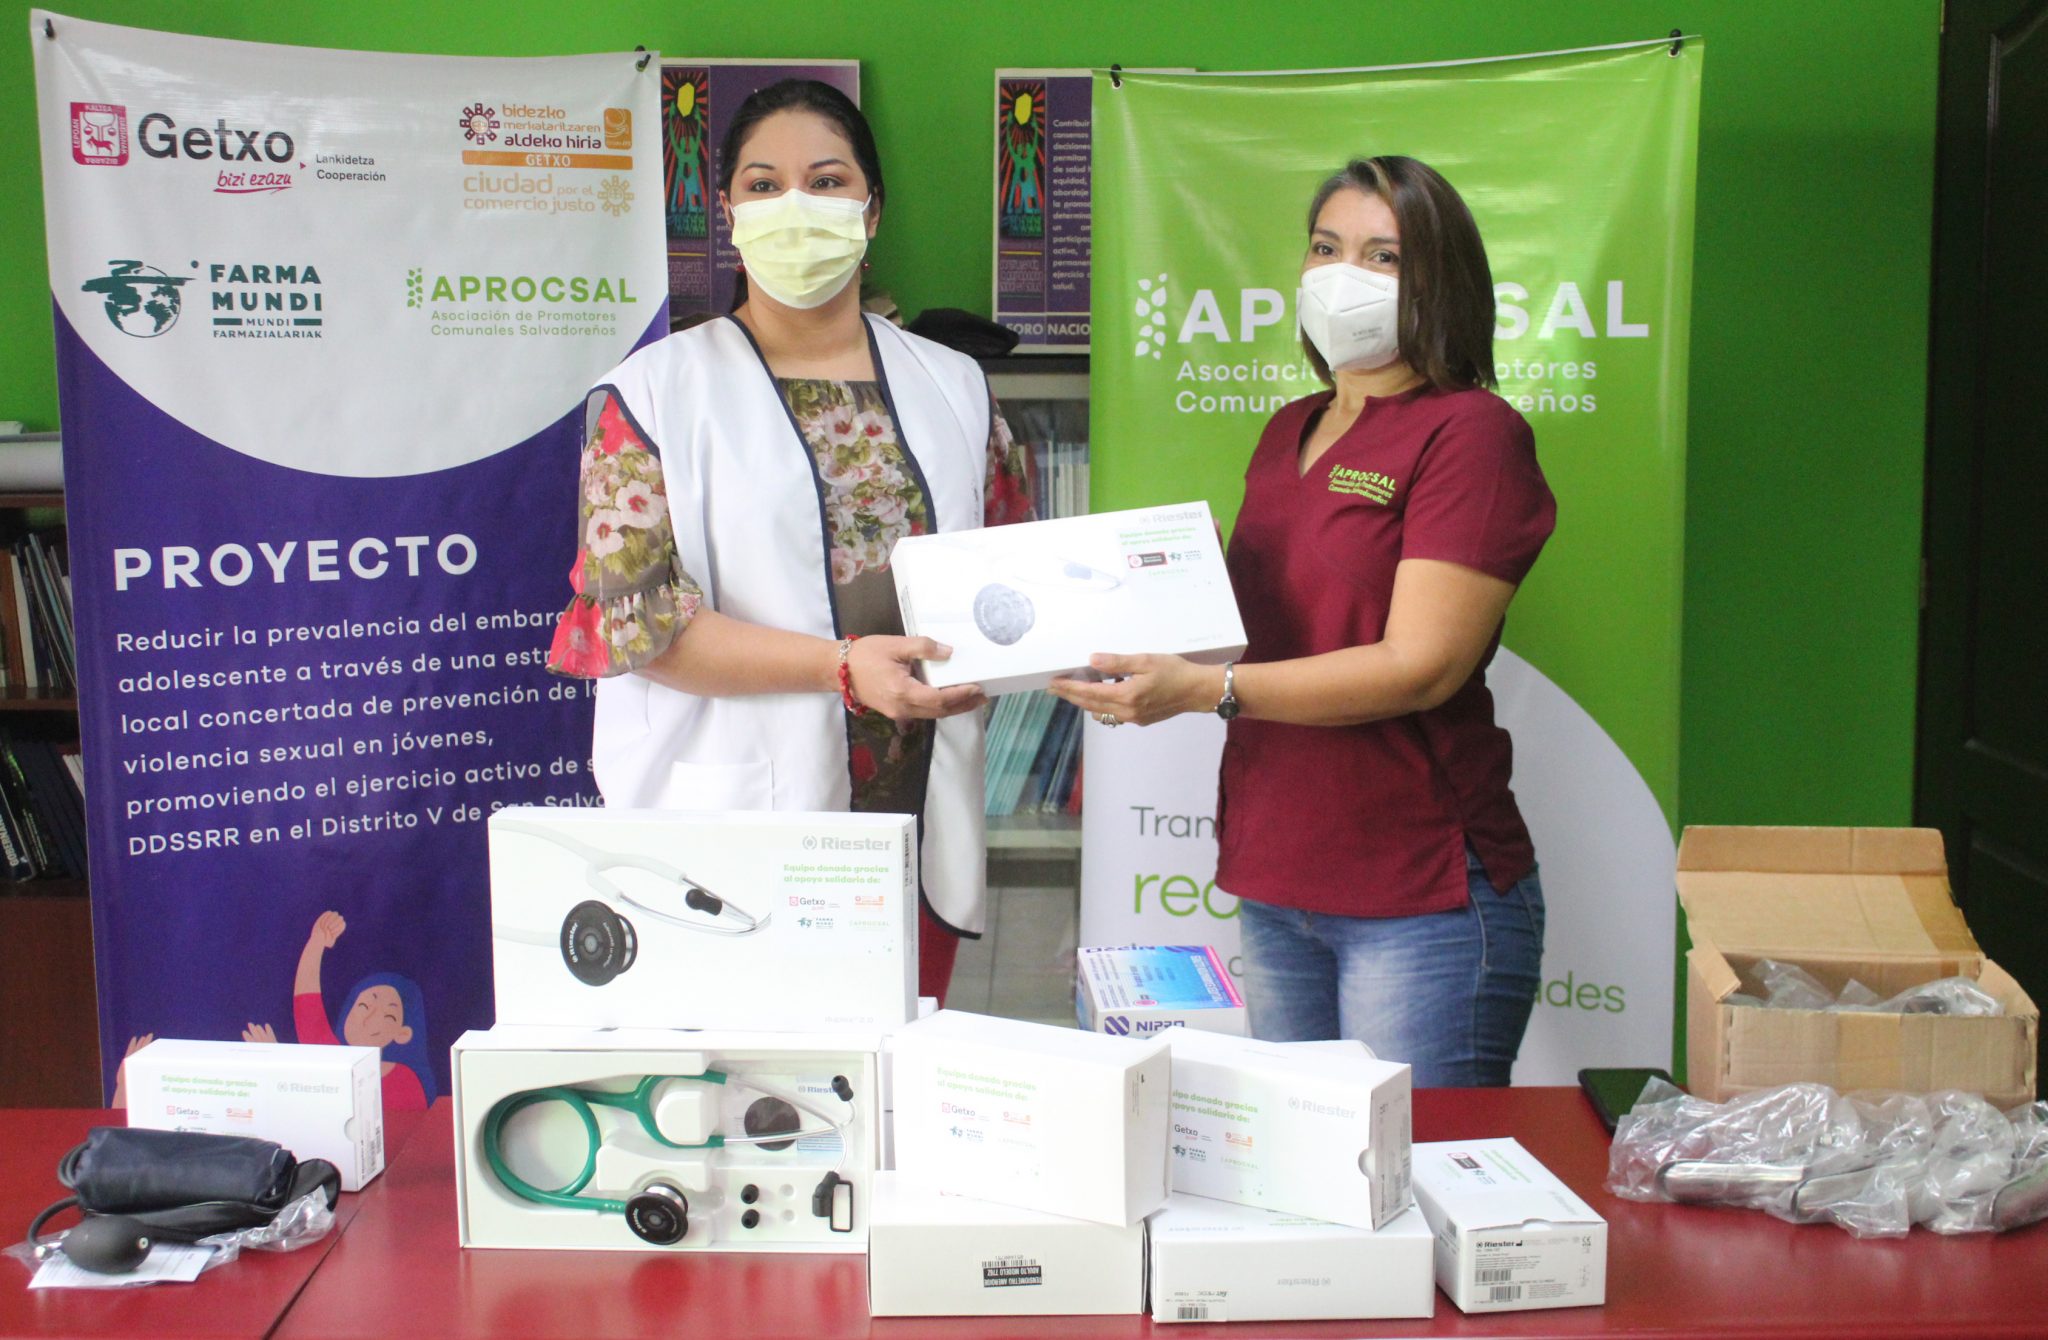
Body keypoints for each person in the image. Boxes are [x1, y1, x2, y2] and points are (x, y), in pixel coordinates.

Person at [1050, 157, 1554, 1086]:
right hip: (1280, 876)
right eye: (1326, 247)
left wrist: (1203, 689)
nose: (1341, 274)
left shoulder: (1471, 433)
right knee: (1304, 1166)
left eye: (1382, 255)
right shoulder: (1291, 427)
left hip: (1420, 891)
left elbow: (1420, 666)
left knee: (1407, 1167)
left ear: (1440, 281)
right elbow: (1277, 619)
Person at [549, 79, 1033, 1003]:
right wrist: (841, 668)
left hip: (915, 824)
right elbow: (637, 630)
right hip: (737, 828)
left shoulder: (956, 384)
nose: (796, 206)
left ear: (871, 212)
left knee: (900, 1063)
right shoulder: (649, 394)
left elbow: (1011, 575)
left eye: (827, 180)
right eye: (764, 185)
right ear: (728, 214)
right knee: (752, 1077)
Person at [241, 909, 437, 1110]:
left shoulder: (408, 1081)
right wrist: (316, 944)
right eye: (363, 1005)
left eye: (387, 1016)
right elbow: (308, 1010)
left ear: (403, 1033)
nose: (369, 1018)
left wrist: (283, 1069)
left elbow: (331, 1101)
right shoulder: (334, 1059)